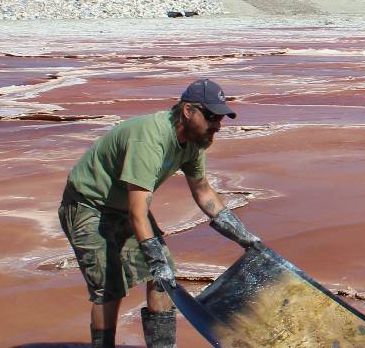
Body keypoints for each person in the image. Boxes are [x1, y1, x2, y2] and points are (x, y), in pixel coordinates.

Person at [57, 79, 262, 348]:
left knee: (163, 279)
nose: (217, 124)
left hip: (124, 207)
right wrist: (155, 259)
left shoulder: (193, 142)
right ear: (188, 111)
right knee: (109, 288)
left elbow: (203, 192)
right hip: (88, 205)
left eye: (221, 118)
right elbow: (138, 211)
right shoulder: (150, 139)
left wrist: (246, 239)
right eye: (211, 116)